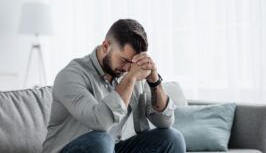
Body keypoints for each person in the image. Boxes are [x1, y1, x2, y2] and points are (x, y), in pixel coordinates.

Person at [42, 19, 186, 153]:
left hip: (110, 148)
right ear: (106, 46)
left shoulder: (131, 71)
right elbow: (100, 122)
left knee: (172, 138)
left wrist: (155, 81)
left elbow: (165, 122)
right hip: (70, 149)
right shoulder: (71, 75)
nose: (127, 68)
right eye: (124, 60)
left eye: (133, 63)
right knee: (101, 140)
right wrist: (130, 79)